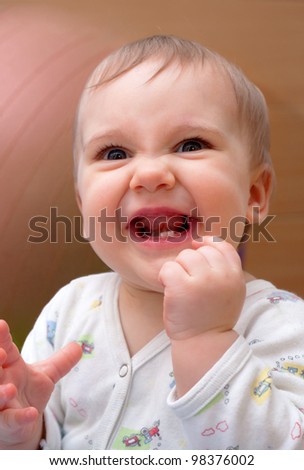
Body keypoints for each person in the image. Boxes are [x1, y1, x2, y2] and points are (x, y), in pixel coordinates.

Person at [0, 35, 303, 450]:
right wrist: (23, 434)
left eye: (190, 145)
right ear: (83, 202)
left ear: (254, 195)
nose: (150, 173)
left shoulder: (281, 325)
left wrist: (208, 339)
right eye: (114, 152)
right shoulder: (67, 312)